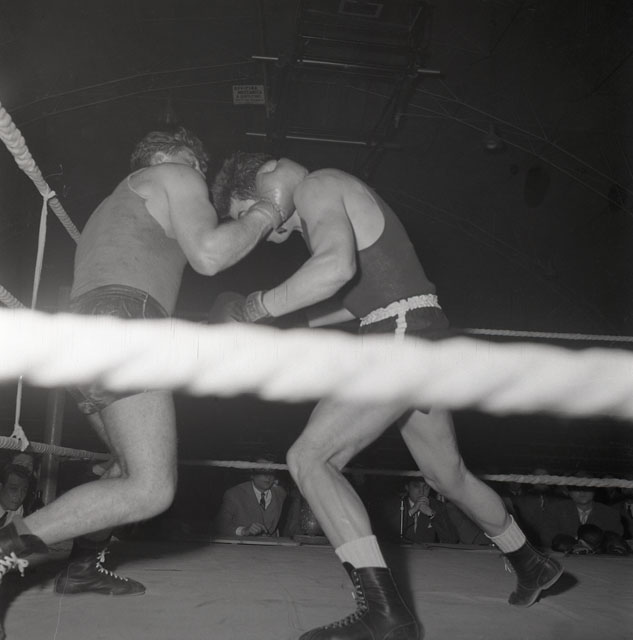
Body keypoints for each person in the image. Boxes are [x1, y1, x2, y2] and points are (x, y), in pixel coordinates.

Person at [210, 153, 563, 639]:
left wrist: (255, 308)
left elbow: (335, 269)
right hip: (417, 331)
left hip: (399, 335)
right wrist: (280, 321)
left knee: (311, 458)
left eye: (248, 213)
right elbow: (353, 296)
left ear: (265, 179)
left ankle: (383, 613)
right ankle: (530, 561)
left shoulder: (316, 186)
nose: (261, 233)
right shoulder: (328, 201)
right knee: (446, 474)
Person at [0, 128, 291, 630]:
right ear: (166, 156)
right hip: (124, 322)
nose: (200, 177)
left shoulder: (120, 205)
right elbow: (210, 255)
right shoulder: (174, 174)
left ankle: (83, 567)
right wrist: (268, 210)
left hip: (88, 328)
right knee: (152, 487)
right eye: (196, 164)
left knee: (125, 467)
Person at [214, 458, 287, 537]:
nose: (268, 476)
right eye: (262, 470)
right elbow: (219, 525)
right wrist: (243, 531)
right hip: (242, 544)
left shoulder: (281, 493)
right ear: (252, 474)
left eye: (271, 470)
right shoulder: (234, 494)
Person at [376, 477, 458, 545]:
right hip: (401, 555)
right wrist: (412, 511)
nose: (421, 492)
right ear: (407, 487)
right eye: (416, 486)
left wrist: (432, 515)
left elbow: (452, 540)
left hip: (426, 556)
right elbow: (386, 536)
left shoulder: (437, 506)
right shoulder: (394, 504)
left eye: (426, 487)